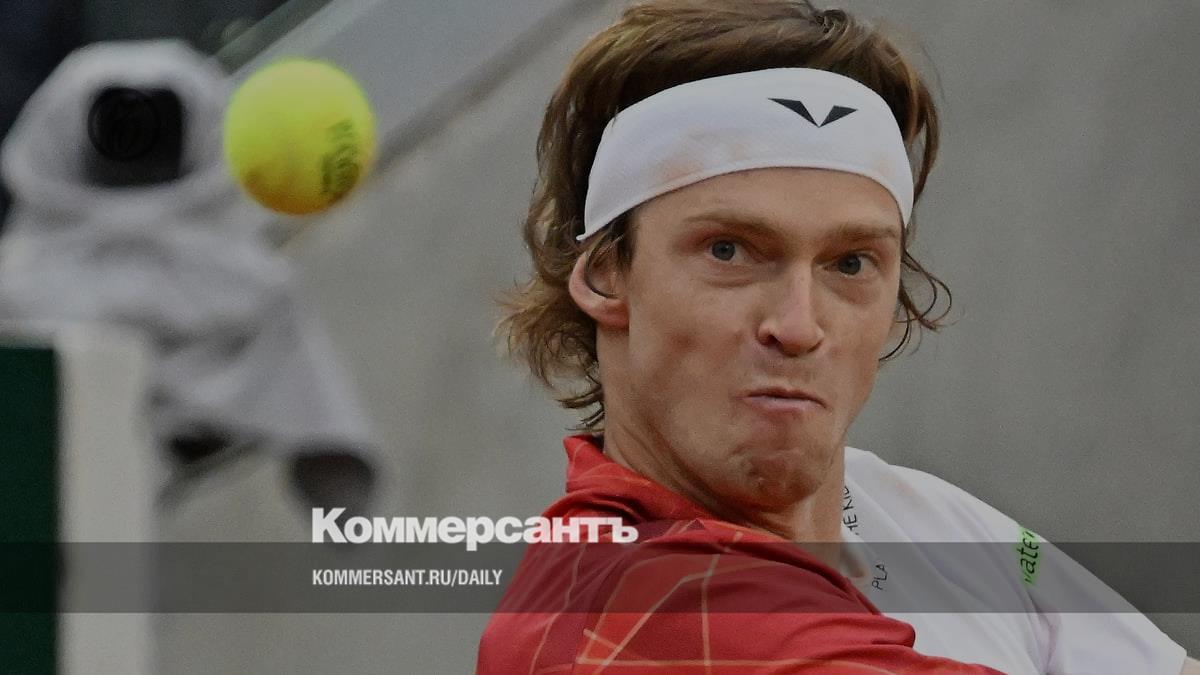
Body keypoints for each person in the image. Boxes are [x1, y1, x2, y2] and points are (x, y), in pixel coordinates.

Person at [477, 1, 1198, 672]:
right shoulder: (622, 603)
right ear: (607, 276)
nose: (798, 326)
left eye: (850, 263)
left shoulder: (914, 515)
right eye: (729, 250)